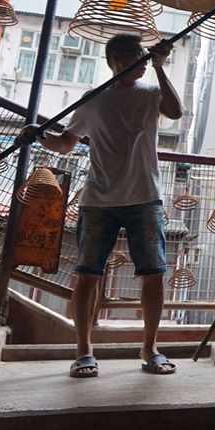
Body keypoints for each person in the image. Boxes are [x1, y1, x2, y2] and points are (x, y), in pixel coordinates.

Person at [17, 33, 183, 378]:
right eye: (138, 54)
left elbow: (175, 111)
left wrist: (159, 67)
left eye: (145, 54)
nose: (143, 59)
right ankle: (84, 352)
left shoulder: (151, 93)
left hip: (145, 197)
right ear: (118, 60)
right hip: (98, 200)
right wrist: (38, 134)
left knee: (154, 275)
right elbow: (65, 142)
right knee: (87, 276)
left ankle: (150, 348)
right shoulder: (93, 99)